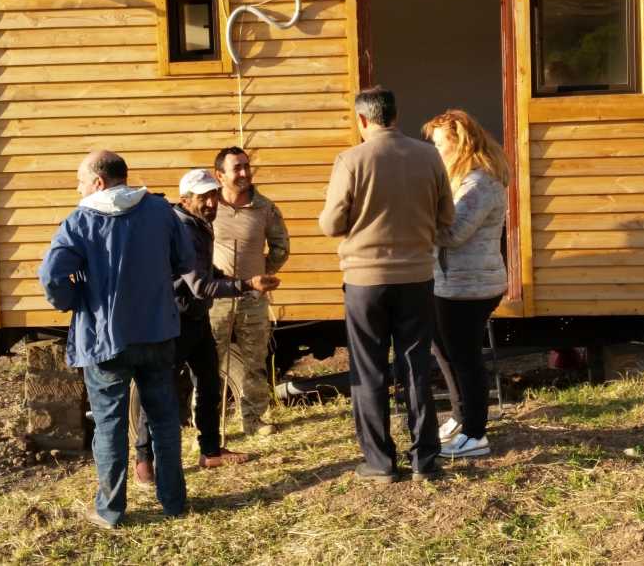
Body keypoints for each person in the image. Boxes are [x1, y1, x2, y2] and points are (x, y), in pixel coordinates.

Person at [37, 150, 193, 529]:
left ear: (99, 182)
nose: (78, 188)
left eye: (80, 180)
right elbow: (186, 260)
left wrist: (77, 302)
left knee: (109, 426)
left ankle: (110, 510)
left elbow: (51, 278)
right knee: (164, 420)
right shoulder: (161, 211)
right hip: (157, 331)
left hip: (106, 339)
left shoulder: (80, 221)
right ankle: (174, 502)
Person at [318, 86, 455, 482]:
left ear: (362, 120)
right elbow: (446, 216)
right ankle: (425, 460)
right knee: (415, 366)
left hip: (364, 280)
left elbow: (332, 224)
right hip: (416, 276)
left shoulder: (351, 160)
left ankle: (379, 462)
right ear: (395, 115)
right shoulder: (428, 156)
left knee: (369, 370)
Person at [133, 168, 281, 482]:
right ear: (186, 200)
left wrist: (229, 278)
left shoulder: (199, 224)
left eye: (214, 195)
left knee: (209, 384)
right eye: (204, 197)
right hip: (173, 321)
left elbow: (205, 267)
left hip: (195, 317)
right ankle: (144, 460)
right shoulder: (184, 228)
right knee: (161, 389)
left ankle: (211, 451)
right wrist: (246, 284)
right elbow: (200, 284)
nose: (212, 202)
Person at [421, 109, 510, 460]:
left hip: (469, 287)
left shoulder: (479, 182)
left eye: (440, 145)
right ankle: (461, 417)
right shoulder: (462, 177)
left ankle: (476, 434)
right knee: (444, 351)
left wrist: (415, 217)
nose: (435, 151)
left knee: (465, 357)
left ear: (461, 144)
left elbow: (454, 233)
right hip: (452, 283)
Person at [210, 146, 291, 437]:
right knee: (208, 364)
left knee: (255, 362)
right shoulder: (208, 207)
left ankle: (255, 421)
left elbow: (281, 247)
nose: (244, 173)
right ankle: (207, 430)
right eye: (237, 168)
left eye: (246, 166)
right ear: (219, 175)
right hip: (215, 299)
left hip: (252, 299)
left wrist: (263, 274)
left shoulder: (265, 208)